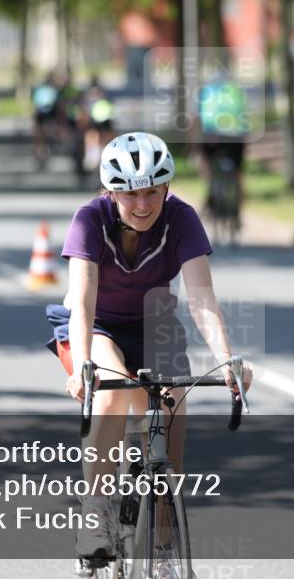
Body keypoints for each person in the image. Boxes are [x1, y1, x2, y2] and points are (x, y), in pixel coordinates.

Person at [45, 132, 251, 562]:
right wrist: (84, 365)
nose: (143, 205)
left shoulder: (182, 220)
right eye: (130, 195)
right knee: (112, 389)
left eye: (153, 192)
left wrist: (226, 360)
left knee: (174, 399)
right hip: (93, 326)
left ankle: (162, 516)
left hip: (153, 325)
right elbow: (83, 298)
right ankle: (95, 514)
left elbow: (201, 299)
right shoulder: (89, 220)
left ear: (167, 188)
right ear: (111, 192)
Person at [198, 73, 249, 211]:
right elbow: (244, 116)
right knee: (238, 170)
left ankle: (209, 191)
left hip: (213, 136)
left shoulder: (206, 91)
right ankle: (239, 205)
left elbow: (196, 118)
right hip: (236, 136)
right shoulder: (236, 91)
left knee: (205, 160)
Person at [80, 76, 116, 173]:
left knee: (101, 138)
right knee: (93, 137)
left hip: (103, 123)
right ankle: (93, 159)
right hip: (96, 124)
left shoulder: (103, 103)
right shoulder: (93, 103)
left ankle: (96, 159)